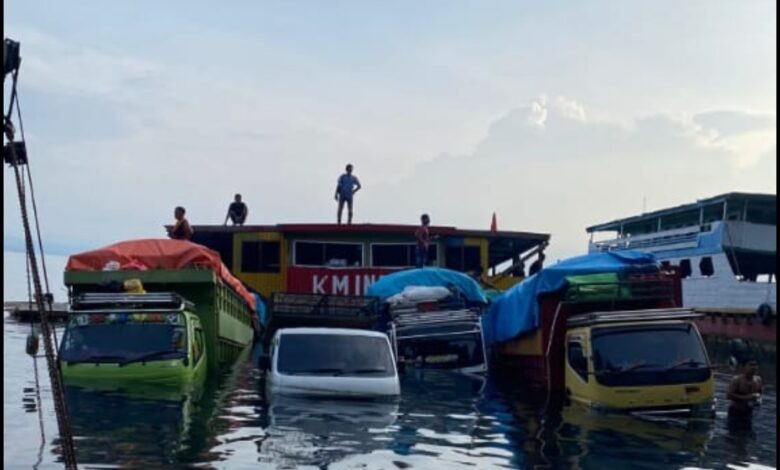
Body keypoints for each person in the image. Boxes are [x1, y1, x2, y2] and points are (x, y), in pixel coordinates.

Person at [727, 357, 763, 429]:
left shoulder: (758, 380)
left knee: (748, 433)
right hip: (735, 411)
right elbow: (728, 396)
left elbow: (760, 394)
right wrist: (747, 397)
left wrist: (758, 401)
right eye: (751, 365)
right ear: (744, 367)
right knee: (733, 434)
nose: (754, 367)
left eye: (755, 365)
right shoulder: (736, 380)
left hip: (748, 412)